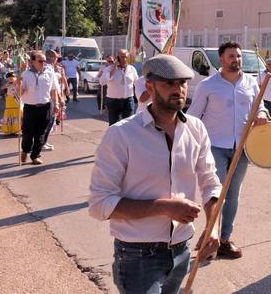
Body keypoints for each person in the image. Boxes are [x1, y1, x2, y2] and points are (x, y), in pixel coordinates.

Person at [88, 54, 223, 293]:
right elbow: (99, 205)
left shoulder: (196, 128)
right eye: (168, 83)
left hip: (182, 250)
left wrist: (212, 227)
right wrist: (163, 207)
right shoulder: (121, 135)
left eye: (182, 83)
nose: (178, 89)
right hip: (138, 255)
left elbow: (210, 183)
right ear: (149, 87)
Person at [188, 41, 269, 259]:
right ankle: (210, 236)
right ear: (221, 60)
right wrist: (190, 145)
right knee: (216, 194)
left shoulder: (251, 83)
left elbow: (259, 106)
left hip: (242, 148)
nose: (236, 60)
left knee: (233, 194)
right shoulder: (208, 85)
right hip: (215, 146)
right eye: (232, 56)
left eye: (239, 56)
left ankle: (224, 240)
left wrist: (262, 114)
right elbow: (193, 117)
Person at [20, 51, 61, 165]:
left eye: (44, 61)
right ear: (33, 62)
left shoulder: (49, 73)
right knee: (28, 133)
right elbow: (21, 91)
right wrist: (17, 85)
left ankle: (35, 155)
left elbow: (53, 89)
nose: (43, 63)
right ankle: (25, 150)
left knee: (41, 133)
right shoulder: (26, 74)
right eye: (40, 61)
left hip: (45, 107)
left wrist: (56, 103)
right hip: (30, 108)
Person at [100, 49, 139, 125]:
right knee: (114, 125)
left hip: (128, 100)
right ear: (117, 58)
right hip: (113, 101)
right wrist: (114, 69)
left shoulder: (132, 69)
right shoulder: (109, 69)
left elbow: (137, 83)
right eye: (121, 57)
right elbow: (102, 82)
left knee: (128, 125)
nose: (124, 59)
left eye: (125, 57)